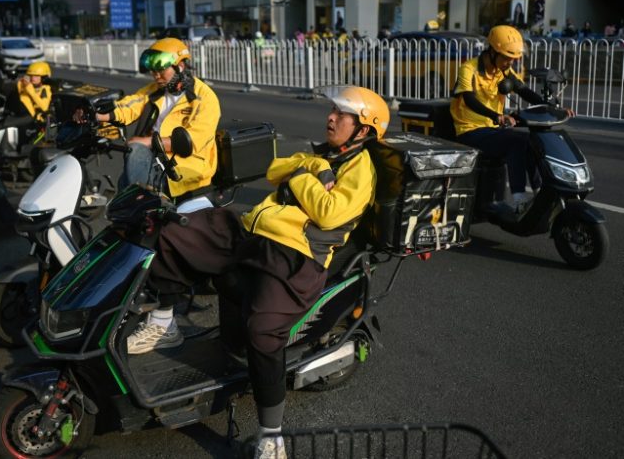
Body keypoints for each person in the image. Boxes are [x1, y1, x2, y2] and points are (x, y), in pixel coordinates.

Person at [127, 85, 388, 459]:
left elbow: (330, 213)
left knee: (263, 331)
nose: (331, 117)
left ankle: (272, 436)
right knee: (175, 230)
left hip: (295, 258)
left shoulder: (362, 170)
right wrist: (312, 167)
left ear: (363, 130)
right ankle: (164, 323)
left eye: (342, 115)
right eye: (332, 110)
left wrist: (299, 177)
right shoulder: (324, 155)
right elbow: (274, 168)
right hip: (253, 235)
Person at [450, 25, 574, 213]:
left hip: (493, 129)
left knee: (534, 141)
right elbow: (469, 99)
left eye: (513, 59)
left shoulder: (504, 71)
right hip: (470, 130)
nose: (510, 63)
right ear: (492, 51)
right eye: (507, 58)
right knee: (518, 141)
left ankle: (539, 190)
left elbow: (523, 90)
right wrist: (496, 115)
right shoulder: (469, 68)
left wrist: (553, 108)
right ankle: (519, 198)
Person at [91, 37, 221, 197]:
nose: (156, 76)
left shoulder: (204, 98)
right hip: (152, 161)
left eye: (161, 70)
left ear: (180, 66)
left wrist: (149, 142)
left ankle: (138, 206)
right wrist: (97, 114)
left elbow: (192, 142)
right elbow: (129, 106)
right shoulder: (154, 90)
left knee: (135, 159)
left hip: (185, 167)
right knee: (124, 189)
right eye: (153, 71)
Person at [2, 61, 53, 152]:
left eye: (37, 76)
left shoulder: (45, 89)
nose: (33, 78)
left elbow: (44, 107)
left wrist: (30, 90)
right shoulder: (25, 86)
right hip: (23, 115)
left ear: (43, 78)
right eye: (31, 75)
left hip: (36, 121)